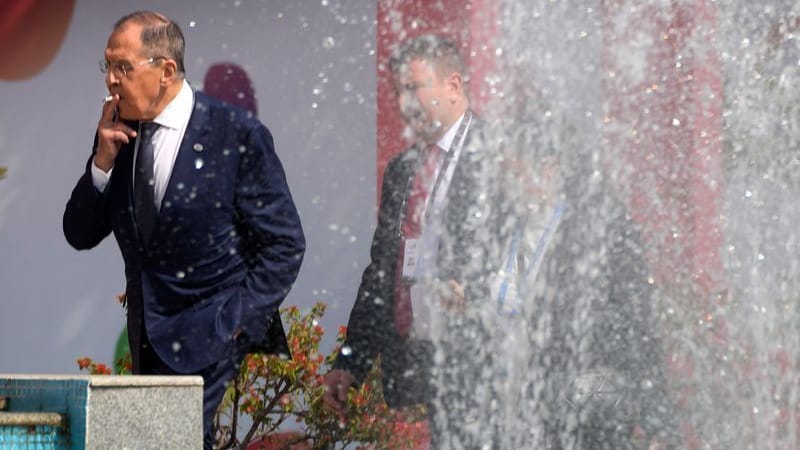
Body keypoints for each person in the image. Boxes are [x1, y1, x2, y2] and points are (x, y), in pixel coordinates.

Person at [62, 11, 305, 449]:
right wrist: (101, 162)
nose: (111, 81)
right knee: (161, 443)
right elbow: (78, 233)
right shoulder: (119, 131)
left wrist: (235, 323)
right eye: (107, 67)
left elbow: (284, 245)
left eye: (123, 67)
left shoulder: (234, 133)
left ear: (166, 71)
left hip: (210, 329)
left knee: (173, 440)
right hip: (148, 336)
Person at [322, 34, 504, 447]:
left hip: (486, 367)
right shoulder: (404, 168)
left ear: (453, 86)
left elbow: (525, 253)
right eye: (397, 91)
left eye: (413, 88)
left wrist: (477, 290)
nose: (403, 102)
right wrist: (351, 362)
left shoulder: (499, 156)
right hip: (420, 367)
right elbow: (383, 269)